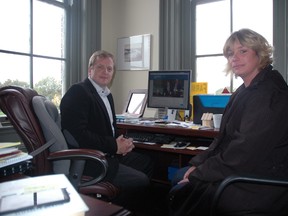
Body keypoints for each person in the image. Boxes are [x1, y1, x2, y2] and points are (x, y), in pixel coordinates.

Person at [169, 28, 288, 216]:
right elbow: (222, 140)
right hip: (243, 169)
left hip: (258, 182)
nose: (234, 58)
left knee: (182, 188)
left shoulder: (269, 94)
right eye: (230, 53)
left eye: (243, 51)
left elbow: (243, 153)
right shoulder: (244, 90)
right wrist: (197, 163)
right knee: (181, 176)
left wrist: (199, 174)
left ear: (260, 53)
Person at [60, 50, 153, 211]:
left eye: (109, 69)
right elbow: (77, 136)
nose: (105, 72)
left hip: (107, 152)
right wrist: (114, 146)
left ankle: (120, 204)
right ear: (90, 70)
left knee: (148, 162)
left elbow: (108, 129)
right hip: (91, 159)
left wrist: (122, 142)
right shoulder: (79, 92)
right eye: (100, 67)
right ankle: (118, 211)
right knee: (141, 180)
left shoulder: (106, 95)